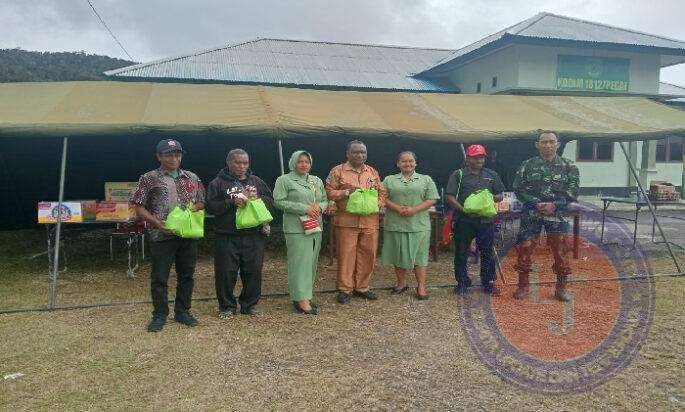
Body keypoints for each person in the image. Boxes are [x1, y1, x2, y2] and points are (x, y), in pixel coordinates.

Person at [129, 139, 205, 332]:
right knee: (160, 278)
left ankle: (183, 312)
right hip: (161, 235)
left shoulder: (192, 177)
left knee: (187, 275)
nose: (173, 158)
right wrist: (157, 224)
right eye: (168, 154)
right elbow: (138, 206)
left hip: (187, 235)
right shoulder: (149, 178)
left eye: (177, 154)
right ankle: (160, 314)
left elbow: (202, 201)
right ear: (159, 156)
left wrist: (193, 208)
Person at [206, 148, 275, 317]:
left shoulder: (256, 181)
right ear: (229, 162)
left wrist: (257, 200)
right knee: (226, 272)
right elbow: (210, 207)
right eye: (238, 163)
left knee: (253, 271)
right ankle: (227, 307)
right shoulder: (217, 183)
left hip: (254, 235)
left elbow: (270, 200)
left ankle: (250, 305)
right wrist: (231, 202)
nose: (242, 166)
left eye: (245, 163)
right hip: (227, 235)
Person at [512, 131, 579, 302]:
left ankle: (561, 289)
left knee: (561, 250)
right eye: (544, 142)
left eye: (551, 142)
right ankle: (523, 286)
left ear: (558, 144)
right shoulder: (527, 165)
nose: (548, 145)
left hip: (558, 215)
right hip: (532, 214)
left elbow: (573, 191)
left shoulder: (569, 166)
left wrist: (555, 205)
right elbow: (518, 188)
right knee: (525, 248)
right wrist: (535, 203)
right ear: (537, 145)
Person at [325, 140, 387, 304]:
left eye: (363, 152)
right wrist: (346, 192)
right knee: (346, 255)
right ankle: (345, 289)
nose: (360, 155)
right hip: (346, 221)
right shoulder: (337, 171)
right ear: (348, 154)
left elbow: (382, 192)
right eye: (356, 152)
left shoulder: (372, 171)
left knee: (368, 254)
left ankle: (362, 287)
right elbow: (328, 192)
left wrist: (378, 204)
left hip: (370, 221)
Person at [445, 144, 505, 296]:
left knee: (487, 252)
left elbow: (500, 195)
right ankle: (462, 282)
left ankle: (488, 282)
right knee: (461, 252)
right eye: (475, 157)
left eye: (482, 157)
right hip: (464, 220)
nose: (479, 160)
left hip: (486, 220)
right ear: (468, 158)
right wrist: (463, 209)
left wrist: (487, 197)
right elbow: (449, 196)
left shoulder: (491, 174)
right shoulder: (458, 175)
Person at [273, 151, 329, 315]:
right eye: (300, 161)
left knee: (311, 262)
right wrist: (304, 208)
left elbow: (324, 199)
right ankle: (300, 299)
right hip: (296, 228)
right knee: (299, 263)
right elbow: (278, 201)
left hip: (315, 226)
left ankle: (305, 295)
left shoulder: (316, 180)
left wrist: (320, 207)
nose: (304, 165)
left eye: (307, 161)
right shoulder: (284, 180)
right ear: (293, 163)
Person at [381, 151, 439, 300]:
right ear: (398, 163)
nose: (408, 164)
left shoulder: (426, 179)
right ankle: (401, 283)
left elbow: (432, 199)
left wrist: (414, 209)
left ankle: (421, 286)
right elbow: (381, 197)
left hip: (419, 224)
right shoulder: (389, 180)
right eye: (404, 161)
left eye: (411, 161)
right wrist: (396, 208)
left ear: (416, 163)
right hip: (395, 223)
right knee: (398, 254)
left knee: (420, 256)